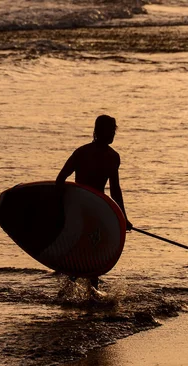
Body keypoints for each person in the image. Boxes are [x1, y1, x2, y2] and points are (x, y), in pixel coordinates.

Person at [56, 114, 133, 290]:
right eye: (110, 130)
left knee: (94, 252)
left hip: (98, 211)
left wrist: (124, 218)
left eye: (115, 130)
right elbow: (60, 179)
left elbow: (115, 190)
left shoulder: (113, 157)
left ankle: (86, 293)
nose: (113, 134)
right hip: (80, 211)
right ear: (98, 131)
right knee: (82, 251)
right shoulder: (82, 152)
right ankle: (70, 292)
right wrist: (61, 208)